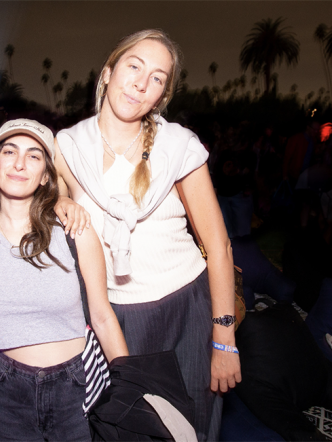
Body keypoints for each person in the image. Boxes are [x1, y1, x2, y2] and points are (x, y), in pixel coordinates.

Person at [54, 29, 241, 442]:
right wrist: (57, 202)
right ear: (107, 74)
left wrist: (224, 338)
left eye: (157, 77)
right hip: (111, 319)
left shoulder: (179, 146)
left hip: (185, 311)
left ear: (162, 95)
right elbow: (46, 202)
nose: (142, 82)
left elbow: (218, 246)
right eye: (134, 67)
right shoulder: (66, 147)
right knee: (125, 429)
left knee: (191, 428)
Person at [0, 119, 128, 441]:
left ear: (45, 176)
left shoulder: (73, 229)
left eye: (34, 156)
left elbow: (102, 316)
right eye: (9, 151)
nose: (19, 163)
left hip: (76, 384)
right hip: (5, 391)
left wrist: (129, 384)